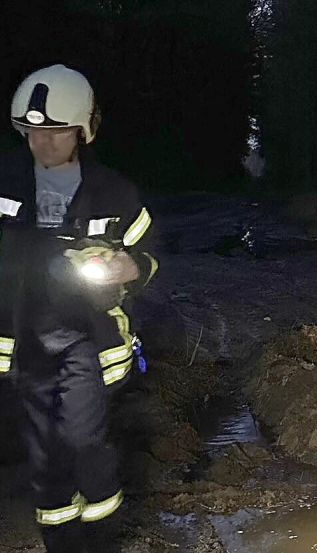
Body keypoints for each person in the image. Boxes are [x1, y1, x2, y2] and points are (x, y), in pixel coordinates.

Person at [0, 64, 157, 552]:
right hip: (25, 347)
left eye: (55, 132)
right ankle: (62, 543)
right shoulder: (4, 184)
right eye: (32, 132)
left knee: (86, 444)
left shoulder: (115, 193)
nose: (42, 144)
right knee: (45, 456)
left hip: (89, 343)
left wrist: (130, 268)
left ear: (83, 130)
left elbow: (152, 259)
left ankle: (99, 535)